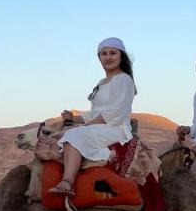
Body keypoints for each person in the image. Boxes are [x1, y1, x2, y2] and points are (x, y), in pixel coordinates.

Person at [48, 38, 136, 195]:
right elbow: (95, 112)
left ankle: (67, 182)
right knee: (61, 135)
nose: (108, 57)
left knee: (74, 135)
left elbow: (115, 113)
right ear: (99, 58)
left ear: (121, 56)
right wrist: (74, 118)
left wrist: (83, 127)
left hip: (115, 127)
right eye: (104, 54)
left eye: (113, 53)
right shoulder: (102, 82)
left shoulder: (124, 79)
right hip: (100, 125)